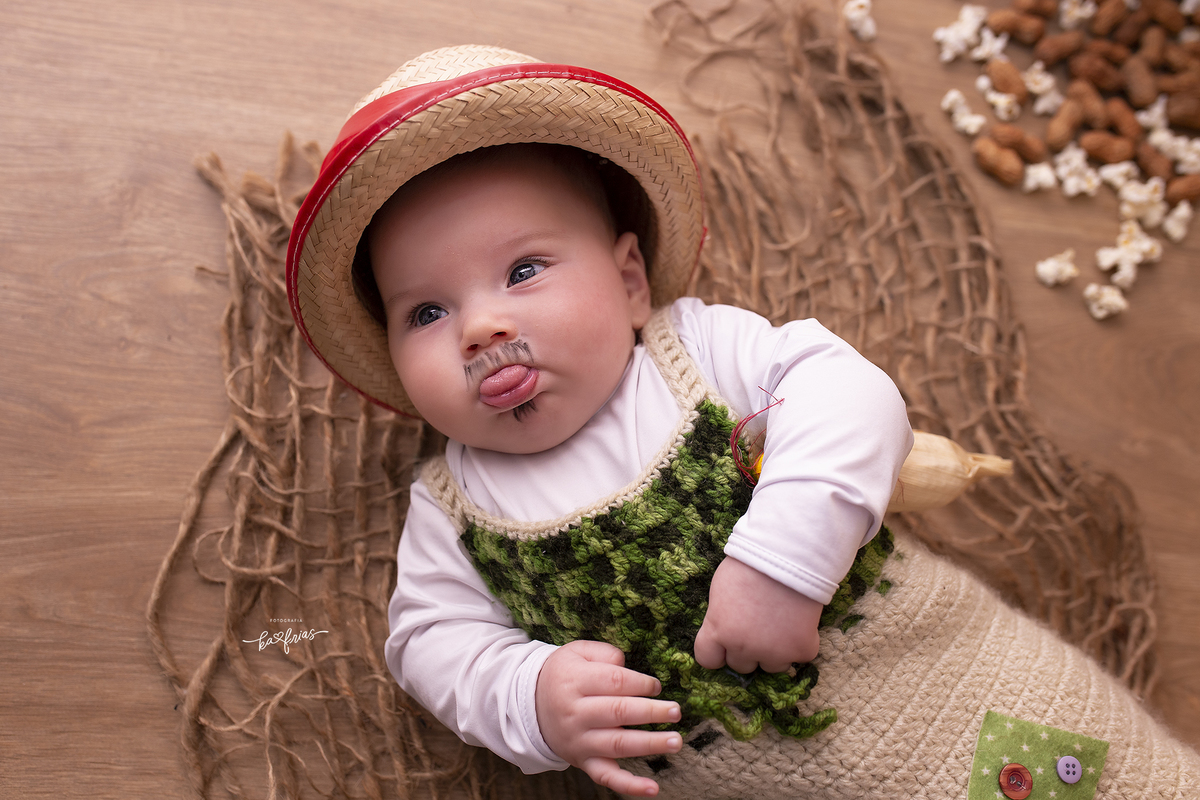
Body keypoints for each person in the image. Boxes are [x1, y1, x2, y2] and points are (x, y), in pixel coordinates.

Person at [287, 45, 1200, 800]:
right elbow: (430, 646)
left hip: (959, 685)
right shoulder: (451, 506)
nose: (482, 327)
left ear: (630, 281)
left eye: (524, 271)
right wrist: (531, 697)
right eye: (427, 312)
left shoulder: (694, 356)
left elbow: (849, 394)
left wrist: (784, 558)